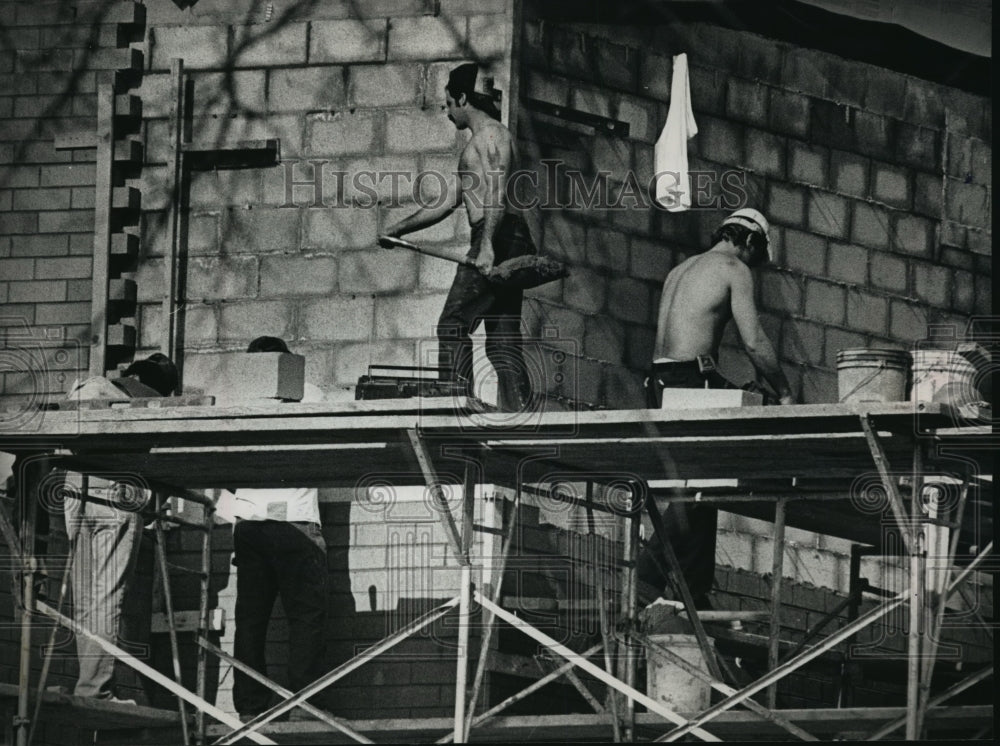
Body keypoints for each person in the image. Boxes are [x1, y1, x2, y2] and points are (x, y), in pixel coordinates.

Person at [638, 208, 795, 608]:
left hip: (659, 382)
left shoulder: (682, 268)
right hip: (690, 381)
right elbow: (755, 341)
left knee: (701, 485)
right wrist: (784, 392)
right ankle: (648, 578)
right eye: (755, 258)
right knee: (704, 485)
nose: (752, 268)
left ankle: (693, 593)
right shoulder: (733, 268)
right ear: (750, 242)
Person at [383, 62, 536, 412]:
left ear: (463, 98)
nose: (448, 112)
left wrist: (486, 247)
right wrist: (396, 229)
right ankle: (520, 414)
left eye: (449, 103)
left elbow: (496, 192)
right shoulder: (479, 145)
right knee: (501, 340)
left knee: (452, 323)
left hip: (498, 236)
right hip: (503, 236)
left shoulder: (492, 137)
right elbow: (446, 202)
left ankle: (452, 405)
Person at [63, 353, 178, 700]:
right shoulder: (141, 399)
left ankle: (90, 685)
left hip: (74, 488)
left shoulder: (91, 386)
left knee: (85, 601)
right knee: (107, 596)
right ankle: (94, 689)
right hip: (116, 490)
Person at [229, 336, 329, 722]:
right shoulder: (312, 394)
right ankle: (304, 706)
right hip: (297, 521)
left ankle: (251, 708)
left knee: (251, 621)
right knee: (306, 618)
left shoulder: (238, 400)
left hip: (251, 523)